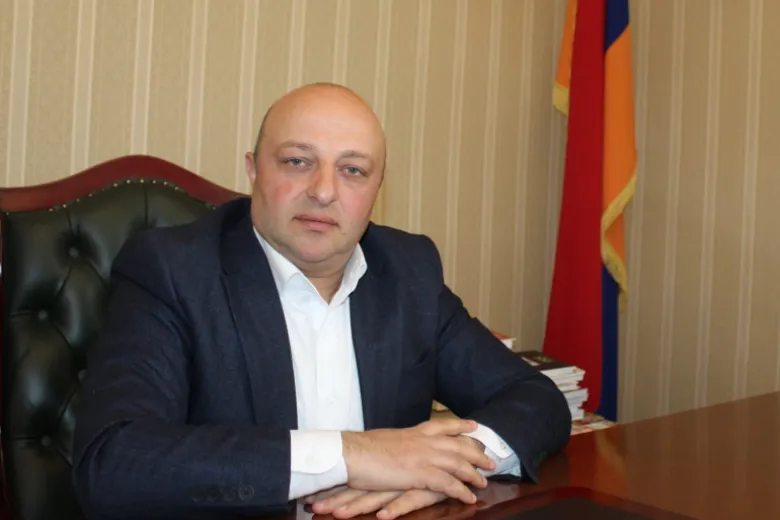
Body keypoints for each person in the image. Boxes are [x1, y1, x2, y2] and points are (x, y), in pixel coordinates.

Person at [72, 83, 571, 520]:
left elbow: (536, 398)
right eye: (298, 162)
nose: (324, 191)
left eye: (353, 170)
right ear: (253, 170)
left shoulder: (408, 271)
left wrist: (445, 464)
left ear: (377, 189)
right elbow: (114, 463)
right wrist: (353, 455)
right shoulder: (172, 270)